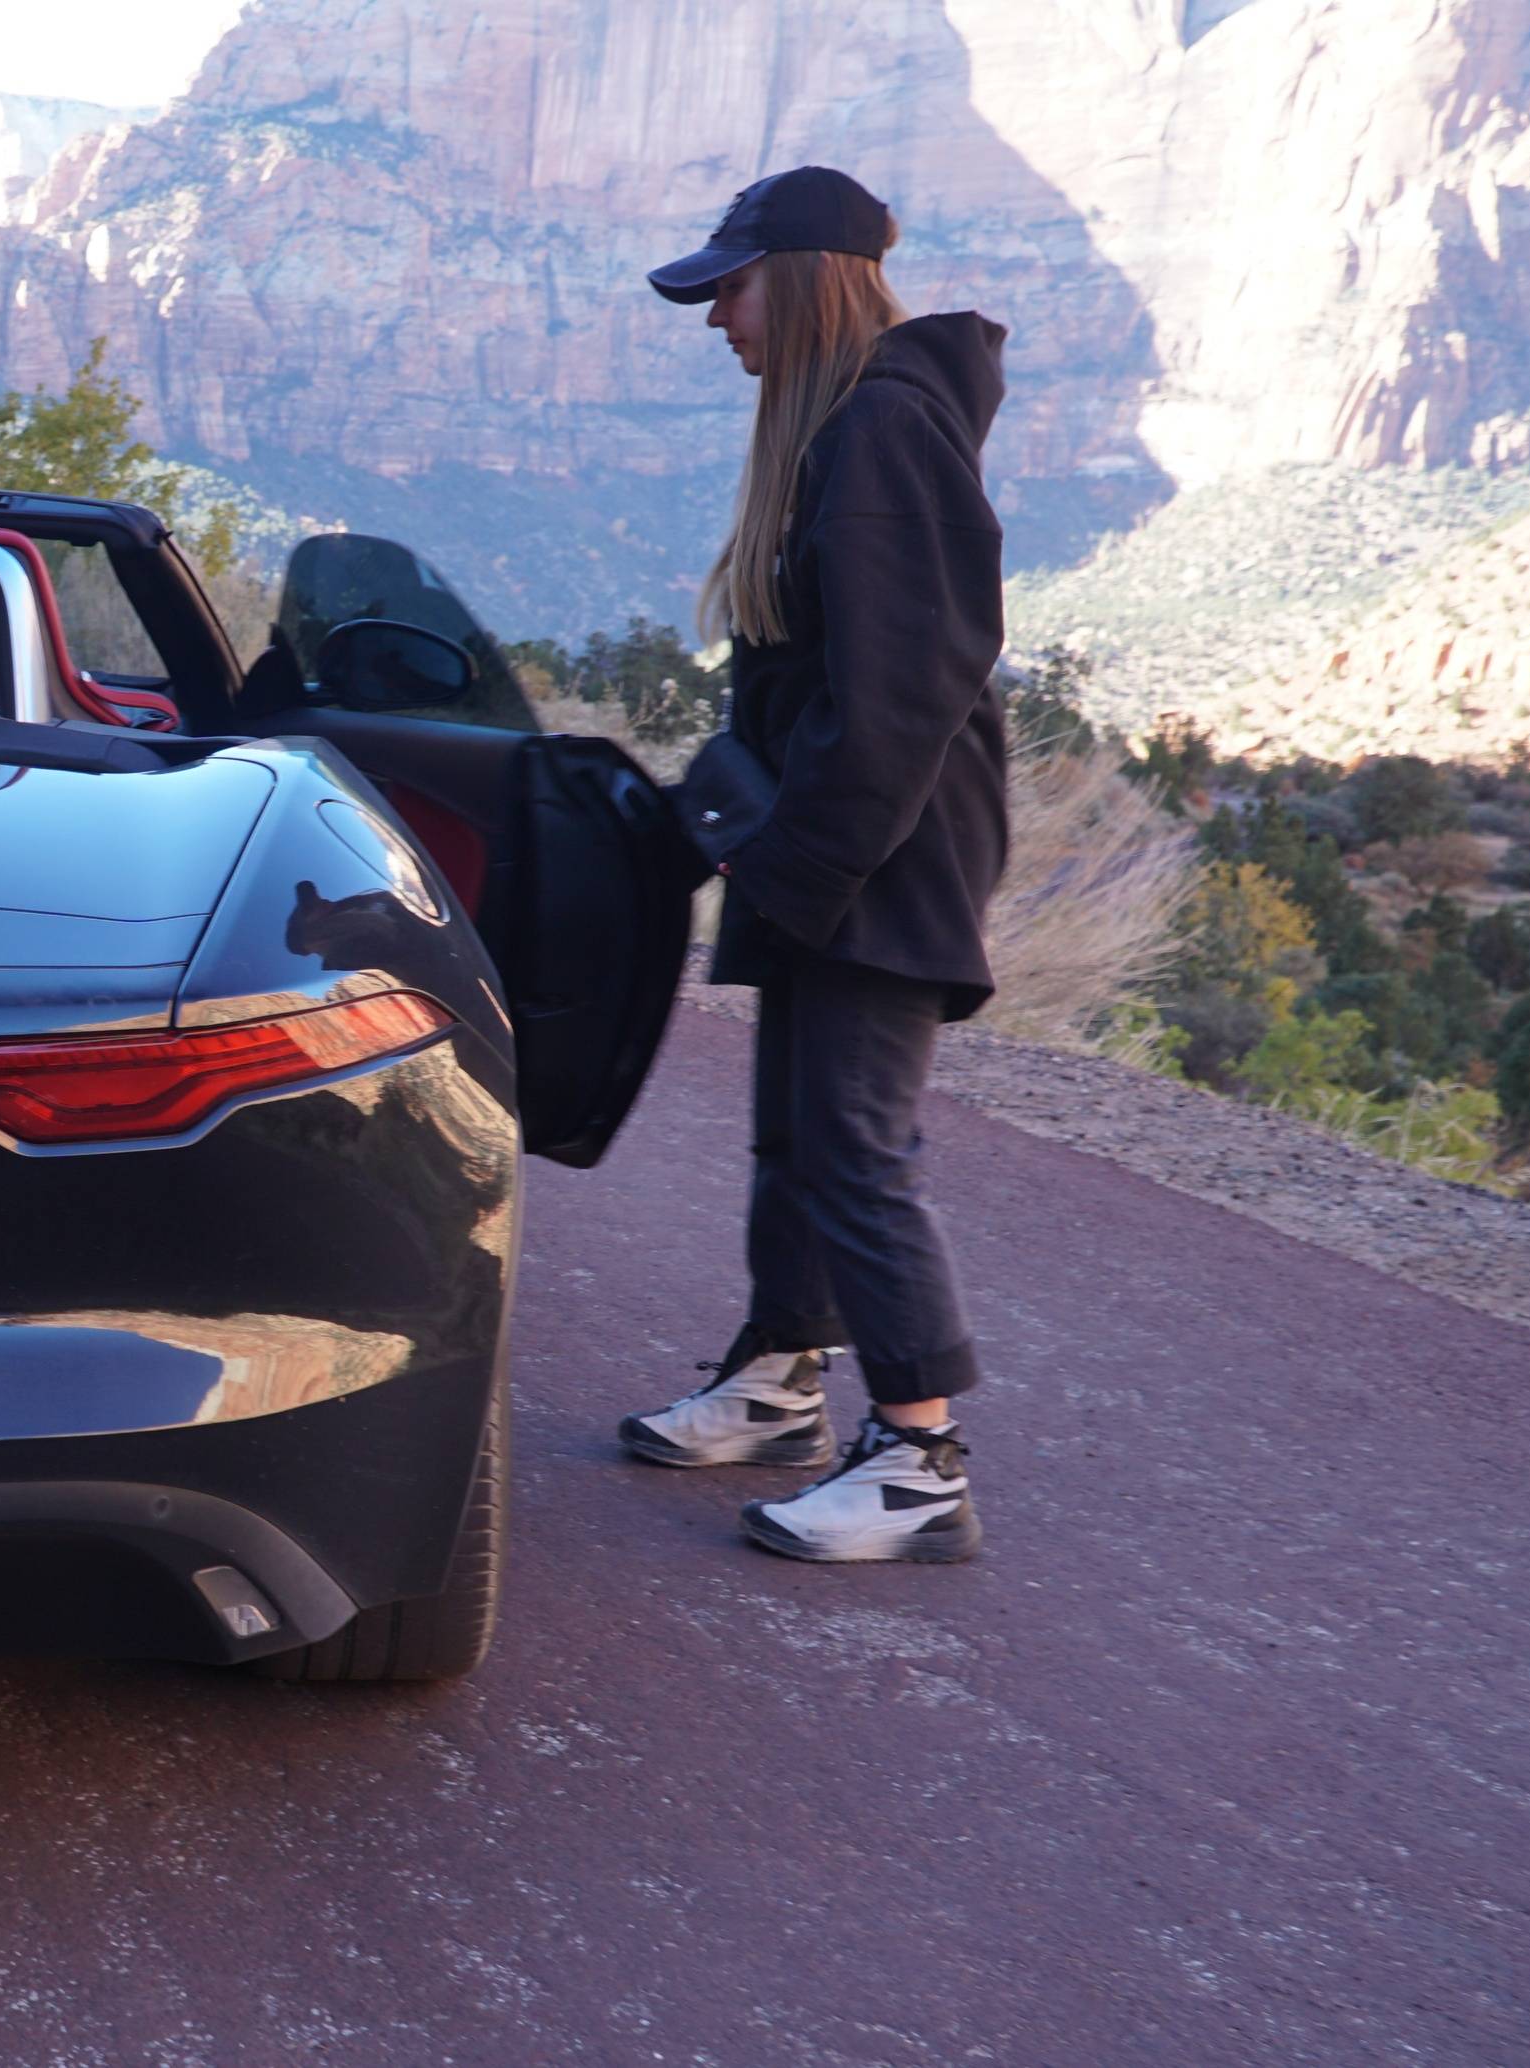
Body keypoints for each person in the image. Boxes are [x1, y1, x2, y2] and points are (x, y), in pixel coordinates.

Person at [614, 167, 1009, 1564]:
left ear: (811, 277)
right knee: (798, 1135)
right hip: (832, 838)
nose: (717, 313)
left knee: (853, 1145)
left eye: (732, 283)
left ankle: (919, 1458)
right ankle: (786, 1378)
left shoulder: (887, 430)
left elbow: (906, 696)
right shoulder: (847, 426)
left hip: (883, 850)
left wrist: (797, 873)